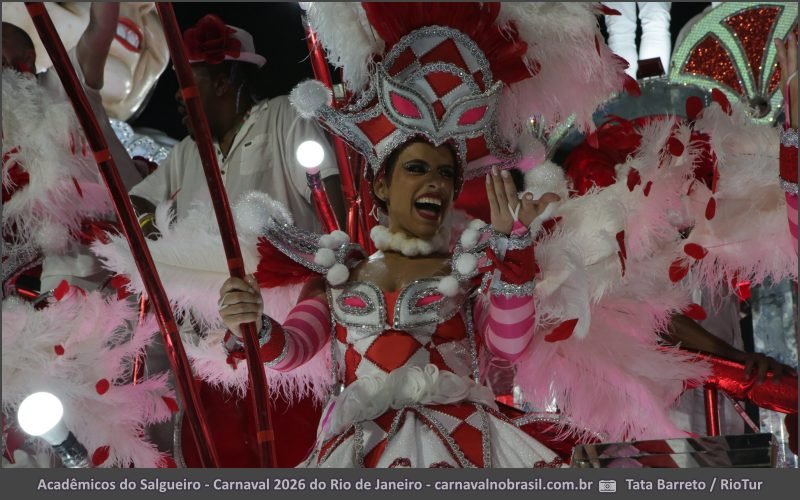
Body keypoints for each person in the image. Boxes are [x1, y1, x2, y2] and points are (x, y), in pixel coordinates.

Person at [212, 3, 689, 467]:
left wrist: (513, 251)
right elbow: (291, 349)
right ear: (381, 182)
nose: (436, 183)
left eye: (446, 174)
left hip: (461, 446)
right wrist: (253, 323)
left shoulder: (471, 266)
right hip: (361, 451)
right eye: (417, 168)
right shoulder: (339, 271)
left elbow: (507, 345)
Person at [129, 14, 345, 234]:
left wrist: (337, 255)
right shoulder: (186, 151)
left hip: (288, 268)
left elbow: (330, 204)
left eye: (186, 84)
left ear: (221, 84)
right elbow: (135, 201)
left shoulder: (283, 115)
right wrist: (158, 236)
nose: (177, 95)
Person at [3, 4, 151, 293]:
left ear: (28, 57)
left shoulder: (65, 81)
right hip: (65, 270)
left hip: (133, 238)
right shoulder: (7, 127)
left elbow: (100, 28)